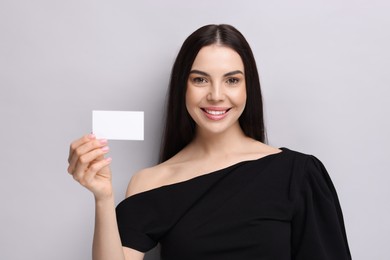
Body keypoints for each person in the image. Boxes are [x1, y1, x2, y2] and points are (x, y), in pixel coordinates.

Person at [67, 24, 352, 260]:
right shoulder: (151, 182)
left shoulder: (298, 174)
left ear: (247, 87)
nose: (216, 95)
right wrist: (103, 198)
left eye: (232, 80)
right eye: (200, 80)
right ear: (183, 87)